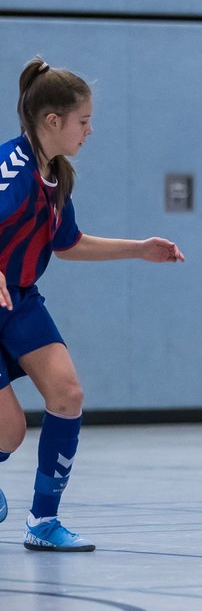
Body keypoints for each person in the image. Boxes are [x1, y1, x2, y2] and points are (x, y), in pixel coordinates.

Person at [0, 58, 184, 552]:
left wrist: (138, 248)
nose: (90, 130)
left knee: (68, 395)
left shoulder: (55, 176)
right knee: (9, 432)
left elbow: (67, 242)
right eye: (83, 121)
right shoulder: (10, 171)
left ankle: (42, 523)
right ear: (52, 122)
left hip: (19, 301)